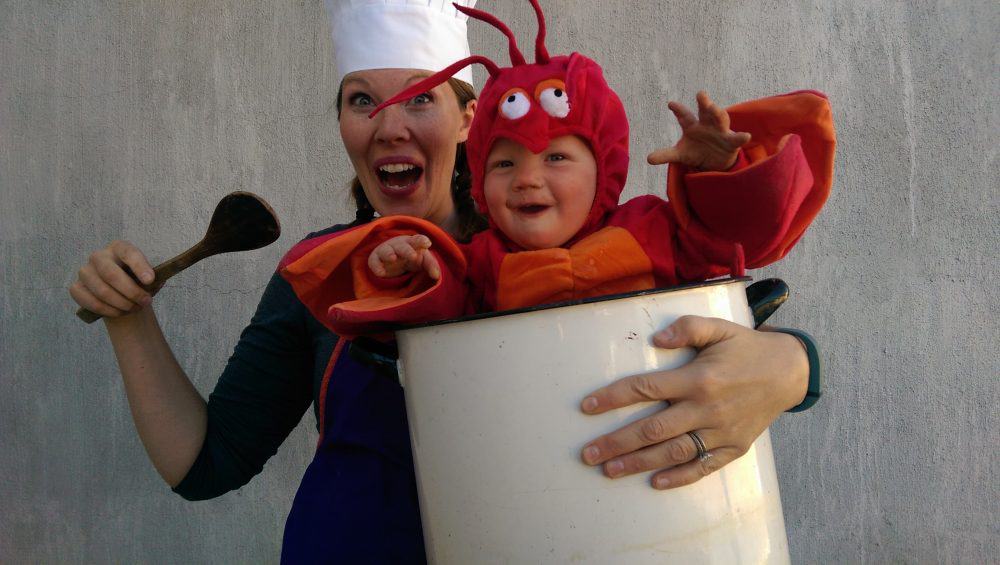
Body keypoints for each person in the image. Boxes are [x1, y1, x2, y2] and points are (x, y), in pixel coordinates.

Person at [66, 0, 819, 561]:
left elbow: (702, 279)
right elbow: (206, 464)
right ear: (343, 126)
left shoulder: (577, 252)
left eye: (419, 97)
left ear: (468, 121)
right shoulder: (323, 273)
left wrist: (791, 365)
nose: (389, 125)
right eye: (363, 100)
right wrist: (129, 320)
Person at [277, 2, 834, 341]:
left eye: (557, 157)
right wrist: (400, 270)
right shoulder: (478, 266)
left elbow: (732, 239)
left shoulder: (651, 230)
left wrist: (724, 173)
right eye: (505, 163)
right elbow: (439, 311)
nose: (527, 177)